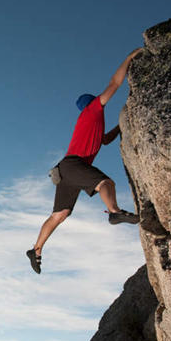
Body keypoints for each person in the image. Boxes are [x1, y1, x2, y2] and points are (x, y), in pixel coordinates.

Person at [27, 48, 143, 274]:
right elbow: (114, 83)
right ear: (91, 103)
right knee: (106, 184)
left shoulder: (92, 125)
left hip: (67, 170)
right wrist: (128, 59)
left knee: (59, 214)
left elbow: (107, 139)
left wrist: (124, 121)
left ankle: (36, 249)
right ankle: (114, 212)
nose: (103, 103)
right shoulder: (92, 111)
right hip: (73, 165)